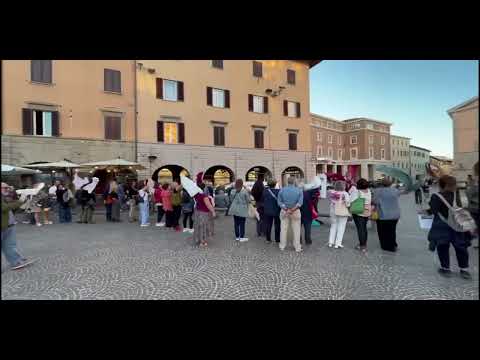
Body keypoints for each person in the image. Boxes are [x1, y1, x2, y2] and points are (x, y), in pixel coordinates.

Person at [428, 175, 472, 279]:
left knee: (443, 246)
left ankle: (445, 268)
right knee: (461, 247)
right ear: (454, 185)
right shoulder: (457, 195)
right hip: (457, 225)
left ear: (441, 185)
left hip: (442, 226)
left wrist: (427, 208)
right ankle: (464, 269)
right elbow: (462, 208)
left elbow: (433, 211)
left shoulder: (436, 196)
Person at [2, 183, 36, 270]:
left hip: (9, 225)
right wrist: (20, 201)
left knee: (10, 245)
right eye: (5, 188)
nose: (8, 189)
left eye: (8, 187)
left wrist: (23, 199)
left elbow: (13, 206)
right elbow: (4, 208)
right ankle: (16, 261)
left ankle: (16, 261)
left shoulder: (5, 197)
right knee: (9, 245)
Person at [372, 178, 407, 252]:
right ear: (390, 184)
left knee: (382, 231)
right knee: (392, 230)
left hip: (382, 214)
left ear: (381, 183)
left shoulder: (378, 191)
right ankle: (393, 245)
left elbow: (375, 201)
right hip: (394, 215)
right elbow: (401, 193)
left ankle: (385, 246)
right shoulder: (395, 190)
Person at [278, 177, 303, 252]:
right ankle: (297, 247)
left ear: (287, 182)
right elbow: (299, 203)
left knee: (283, 229)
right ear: (294, 182)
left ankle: (282, 246)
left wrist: (286, 209)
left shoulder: (282, 190)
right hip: (295, 211)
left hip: (284, 211)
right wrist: (292, 209)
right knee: (296, 230)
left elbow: (279, 202)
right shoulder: (299, 191)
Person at [349, 178, 372, 253]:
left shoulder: (356, 192)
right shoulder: (368, 191)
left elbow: (351, 201)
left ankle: (362, 245)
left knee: (360, 228)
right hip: (367, 211)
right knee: (364, 228)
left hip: (358, 211)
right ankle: (364, 244)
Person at [328, 181, 351, 249]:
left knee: (333, 226)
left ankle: (330, 242)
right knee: (341, 227)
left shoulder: (332, 192)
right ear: (343, 186)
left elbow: (331, 201)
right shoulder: (345, 194)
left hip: (333, 211)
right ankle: (337, 243)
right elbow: (348, 204)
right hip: (342, 211)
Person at [193, 182, 216, 247]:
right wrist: (213, 212)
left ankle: (198, 240)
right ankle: (203, 241)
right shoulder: (204, 196)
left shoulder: (196, 194)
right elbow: (208, 205)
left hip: (197, 212)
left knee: (198, 226)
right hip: (203, 213)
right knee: (203, 226)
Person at [262, 179, 281, 244]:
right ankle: (277, 239)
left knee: (268, 225)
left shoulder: (265, 191)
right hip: (277, 210)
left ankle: (268, 239)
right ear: (275, 184)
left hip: (267, 210)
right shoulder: (279, 191)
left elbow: (262, 200)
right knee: (277, 225)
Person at [466, 162, 479, 248]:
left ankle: (470, 237)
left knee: (475, 226)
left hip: (475, 208)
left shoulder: (475, 184)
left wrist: (470, 186)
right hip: (474, 208)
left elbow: (470, 195)